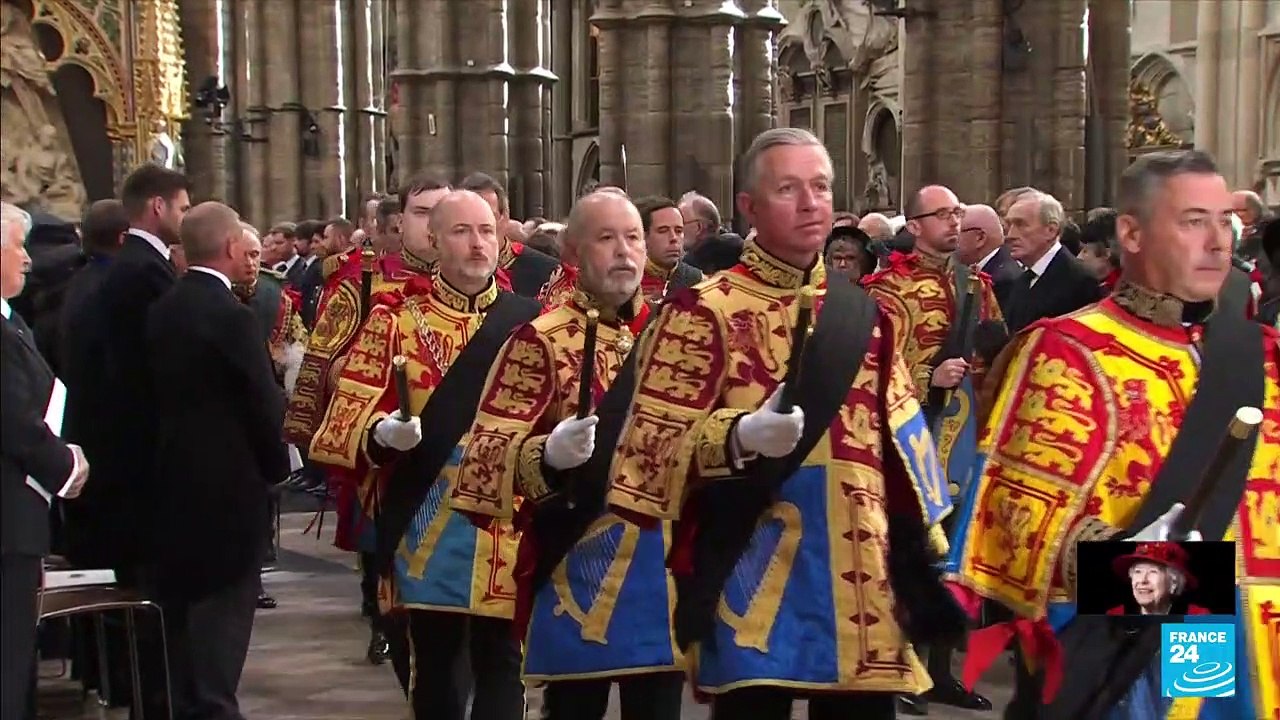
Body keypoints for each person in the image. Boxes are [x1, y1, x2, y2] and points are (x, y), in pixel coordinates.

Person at [609, 128, 961, 720]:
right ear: (749, 206)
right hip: (755, 569)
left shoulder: (865, 314)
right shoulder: (702, 310)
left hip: (861, 573)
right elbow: (646, 454)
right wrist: (737, 436)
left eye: (820, 187)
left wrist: (922, 553)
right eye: (788, 189)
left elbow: (900, 442)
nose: (810, 203)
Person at [949, 149, 1278, 720]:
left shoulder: (1266, 355)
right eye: (1193, 221)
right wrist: (1135, 571)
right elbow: (1013, 528)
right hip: (1144, 656)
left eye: (1224, 221)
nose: (1217, 242)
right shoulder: (1066, 352)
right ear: (1132, 233)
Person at [452, 190, 680, 720]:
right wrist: (547, 455)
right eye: (606, 238)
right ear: (573, 253)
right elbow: (483, 461)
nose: (623, 251)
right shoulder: (540, 340)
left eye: (633, 238)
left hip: (662, 570)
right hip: (577, 566)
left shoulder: (675, 336)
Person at [312, 190, 540, 720]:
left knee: (505, 668)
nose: (477, 243)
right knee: (436, 671)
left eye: (486, 231)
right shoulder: (394, 322)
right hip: (427, 527)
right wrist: (380, 434)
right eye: (461, 231)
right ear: (433, 241)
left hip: (507, 527)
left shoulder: (532, 325)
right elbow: (340, 425)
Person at [283, 172, 450, 668]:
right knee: (385, 547)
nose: (434, 226)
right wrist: (364, 375)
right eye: (422, 213)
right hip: (386, 443)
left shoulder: (490, 285)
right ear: (400, 221)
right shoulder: (362, 280)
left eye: (444, 213)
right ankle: (384, 620)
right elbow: (323, 358)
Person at [861, 184, 1002, 714]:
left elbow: (994, 356)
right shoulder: (886, 290)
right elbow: (873, 365)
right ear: (915, 225)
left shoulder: (978, 285)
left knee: (957, 550)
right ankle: (899, 667)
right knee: (909, 548)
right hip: (912, 431)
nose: (953, 221)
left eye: (958, 212)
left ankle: (941, 670)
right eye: (942, 214)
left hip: (968, 434)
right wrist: (927, 376)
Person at [147, 202, 289, 720]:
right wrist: (278, 467)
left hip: (173, 484)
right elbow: (261, 401)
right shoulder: (232, 316)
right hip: (230, 490)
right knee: (223, 626)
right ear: (231, 246)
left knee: (185, 627)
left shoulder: (163, 307)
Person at [1, 201, 90, 720]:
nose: (28, 259)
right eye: (18, 247)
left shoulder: (12, 321)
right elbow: (13, 419)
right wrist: (66, 468)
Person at [1002, 191, 1103, 334]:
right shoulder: (1023, 278)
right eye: (1008, 225)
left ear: (1051, 230)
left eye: (1021, 225)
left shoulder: (1080, 280)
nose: (1010, 235)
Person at [460, 172, 558, 297]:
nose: (477, 228)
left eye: (487, 216)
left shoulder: (549, 273)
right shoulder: (444, 270)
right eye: (465, 219)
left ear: (505, 218)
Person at [1105, 542, 1210, 617]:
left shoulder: (1197, 617)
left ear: (1173, 583)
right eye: (1138, 571)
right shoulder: (1115, 615)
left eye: (1153, 572)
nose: (1143, 580)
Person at [633, 195, 704, 301]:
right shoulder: (626, 282)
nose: (673, 238)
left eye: (678, 231)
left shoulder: (699, 281)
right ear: (643, 236)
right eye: (663, 231)